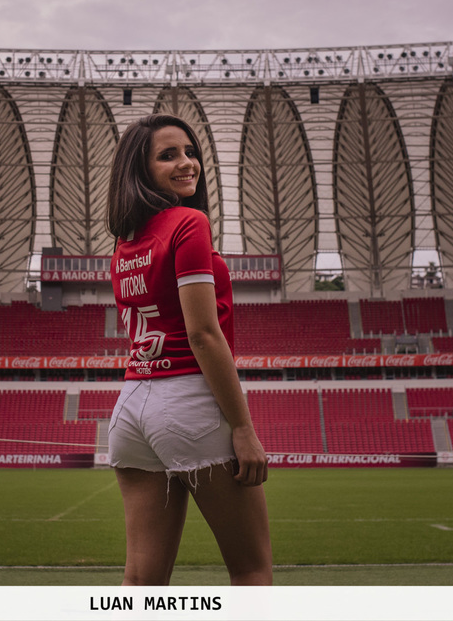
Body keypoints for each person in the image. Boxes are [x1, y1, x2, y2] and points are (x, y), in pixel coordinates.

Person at [106, 113, 272, 586]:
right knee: (251, 569)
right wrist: (242, 427)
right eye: (168, 155)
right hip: (188, 403)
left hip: (132, 406)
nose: (187, 163)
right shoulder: (188, 223)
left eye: (190, 152)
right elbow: (203, 334)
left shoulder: (125, 242)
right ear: (141, 170)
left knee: (141, 583)